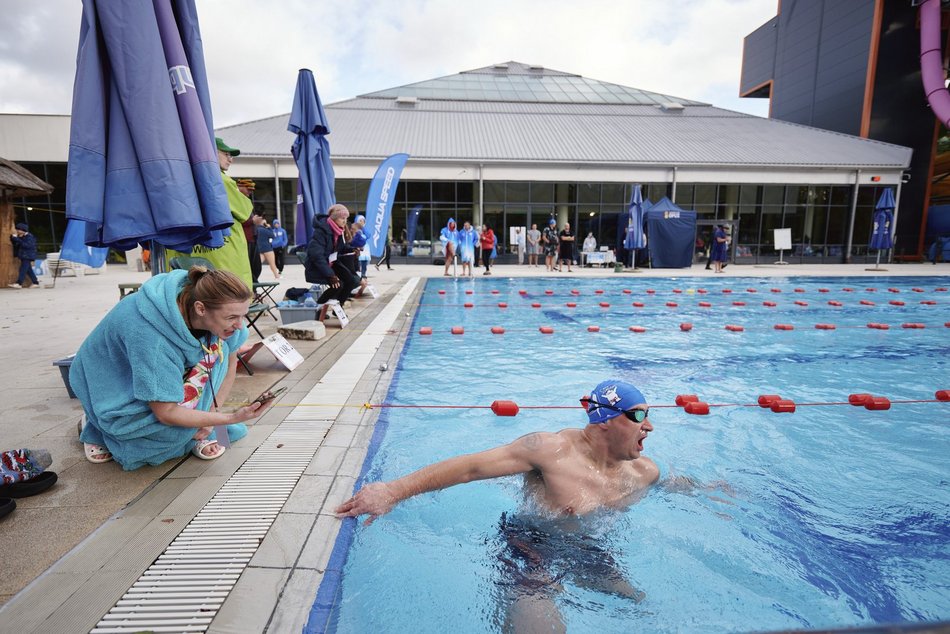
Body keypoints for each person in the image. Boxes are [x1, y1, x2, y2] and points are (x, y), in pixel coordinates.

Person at [336, 380, 659, 632]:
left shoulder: (644, 472)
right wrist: (393, 491)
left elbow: (674, 485)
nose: (649, 426)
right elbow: (470, 467)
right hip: (531, 543)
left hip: (586, 548)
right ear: (606, 420)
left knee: (639, 604)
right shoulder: (550, 450)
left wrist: (707, 491)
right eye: (640, 415)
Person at [70, 267, 271, 469]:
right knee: (161, 437)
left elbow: (229, 363)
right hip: (111, 381)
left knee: (220, 352)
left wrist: (212, 417)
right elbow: (165, 412)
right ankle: (94, 422)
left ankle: (198, 426)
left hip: (157, 367)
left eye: (243, 315)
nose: (239, 325)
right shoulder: (151, 336)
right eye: (232, 318)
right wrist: (229, 418)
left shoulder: (215, 308)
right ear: (201, 309)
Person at [165, 137, 253, 289]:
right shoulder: (220, 179)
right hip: (224, 256)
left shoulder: (178, 176)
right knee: (228, 296)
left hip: (188, 254)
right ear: (210, 152)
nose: (230, 160)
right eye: (226, 154)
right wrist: (241, 195)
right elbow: (244, 211)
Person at [304, 204, 361, 308]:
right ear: (334, 218)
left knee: (351, 281)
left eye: (346, 218)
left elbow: (340, 248)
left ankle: (339, 308)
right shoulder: (320, 232)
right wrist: (331, 275)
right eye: (342, 218)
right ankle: (317, 310)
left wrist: (352, 249)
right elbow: (316, 256)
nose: (345, 221)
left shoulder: (338, 230)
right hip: (317, 267)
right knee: (338, 285)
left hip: (331, 263)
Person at [9, 223, 39, 289]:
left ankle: (19, 283)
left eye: (18, 229)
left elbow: (27, 245)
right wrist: (13, 239)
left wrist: (17, 239)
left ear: (23, 230)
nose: (17, 231)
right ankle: (35, 282)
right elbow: (17, 245)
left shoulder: (30, 236)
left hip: (28, 256)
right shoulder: (21, 236)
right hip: (23, 255)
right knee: (28, 270)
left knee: (22, 269)